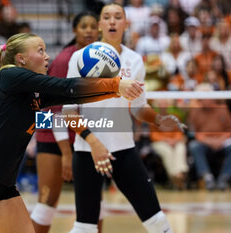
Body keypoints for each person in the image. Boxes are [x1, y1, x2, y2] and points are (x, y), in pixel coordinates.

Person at [0, 32, 144, 233]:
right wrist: (115, 84)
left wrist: (116, 91)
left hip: (4, 185)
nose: (47, 56)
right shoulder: (8, 76)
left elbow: (70, 96)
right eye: (40, 50)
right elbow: (66, 87)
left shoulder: (34, 95)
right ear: (21, 58)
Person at [63, 4, 184, 233]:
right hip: (88, 150)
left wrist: (159, 119)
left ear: (125, 23)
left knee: (157, 221)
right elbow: (68, 113)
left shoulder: (135, 60)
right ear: (99, 24)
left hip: (123, 149)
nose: (112, 21)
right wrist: (94, 143)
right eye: (106, 17)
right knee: (85, 226)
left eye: (118, 17)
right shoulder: (80, 58)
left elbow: (138, 108)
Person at [31, 11, 100, 233]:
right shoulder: (64, 59)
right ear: (74, 31)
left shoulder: (101, 56)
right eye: (83, 26)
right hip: (52, 131)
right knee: (47, 202)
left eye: (92, 26)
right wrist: (66, 154)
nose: (89, 30)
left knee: (94, 205)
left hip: (82, 134)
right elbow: (52, 108)